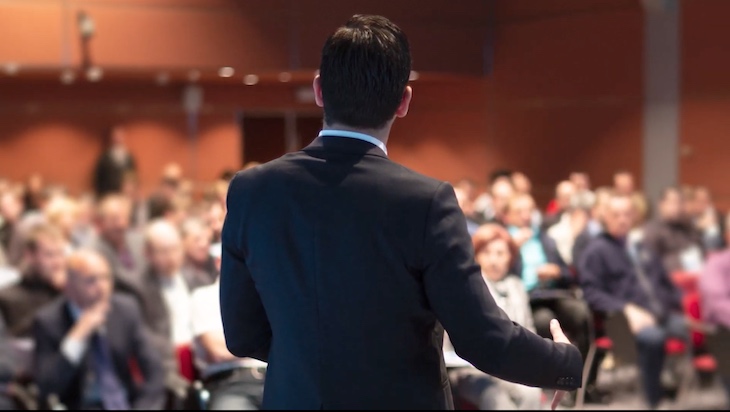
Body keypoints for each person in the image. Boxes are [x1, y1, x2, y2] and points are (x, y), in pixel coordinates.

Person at [220, 14, 582, 410]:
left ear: (319, 91)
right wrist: (562, 362)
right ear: (404, 100)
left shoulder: (251, 191)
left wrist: (312, 361)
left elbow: (242, 334)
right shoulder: (427, 202)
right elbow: (482, 338)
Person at [577, 192, 687, 409]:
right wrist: (626, 309)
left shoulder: (641, 247)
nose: (622, 219)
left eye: (627, 214)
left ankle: (686, 389)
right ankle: (653, 399)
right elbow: (591, 293)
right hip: (620, 321)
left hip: (659, 313)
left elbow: (665, 283)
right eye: (616, 214)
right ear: (605, 217)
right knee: (654, 338)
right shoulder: (596, 251)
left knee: (701, 331)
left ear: (634, 216)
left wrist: (682, 305)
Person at [32, 249, 165, 410]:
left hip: (127, 403)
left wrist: (145, 406)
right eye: (91, 280)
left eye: (106, 278)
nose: (102, 287)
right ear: (70, 284)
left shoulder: (125, 309)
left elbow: (153, 368)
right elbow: (48, 386)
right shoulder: (49, 321)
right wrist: (77, 336)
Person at [449, 224, 542, 410]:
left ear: (510, 257)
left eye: (500, 253)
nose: (493, 260)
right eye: (487, 253)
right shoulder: (467, 287)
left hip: (511, 367)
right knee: (498, 400)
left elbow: (529, 329)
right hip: (471, 369)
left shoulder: (517, 286)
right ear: (475, 255)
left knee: (532, 393)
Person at [191, 243, 265, 410]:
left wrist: (243, 346)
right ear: (218, 262)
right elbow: (217, 350)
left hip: (274, 379)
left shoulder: (264, 294)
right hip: (230, 384)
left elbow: (231, 346)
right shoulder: (202, 297)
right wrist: (265, 344)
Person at [0, 224, 67, 338]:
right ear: (29, 256)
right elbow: (19, 338)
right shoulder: (9, 296)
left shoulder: (67, 291)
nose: (58, 262)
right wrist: (64, 299)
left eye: (60, 254)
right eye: (49, 255)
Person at [93, 126, 138, 198]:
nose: (118, 139)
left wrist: (131, 190)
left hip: (125, 195)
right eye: (116, 136)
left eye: (120, 136)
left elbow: (132, 176)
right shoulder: (104, 158)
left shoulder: (128, 157)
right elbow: (99, 178)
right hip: (108, 195)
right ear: (112, 138)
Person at [181, 217, 218, 290]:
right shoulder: (175, 273)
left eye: (208, 240)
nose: (204, 244)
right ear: (182, 241)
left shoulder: (215, 264)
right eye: (197, 239)